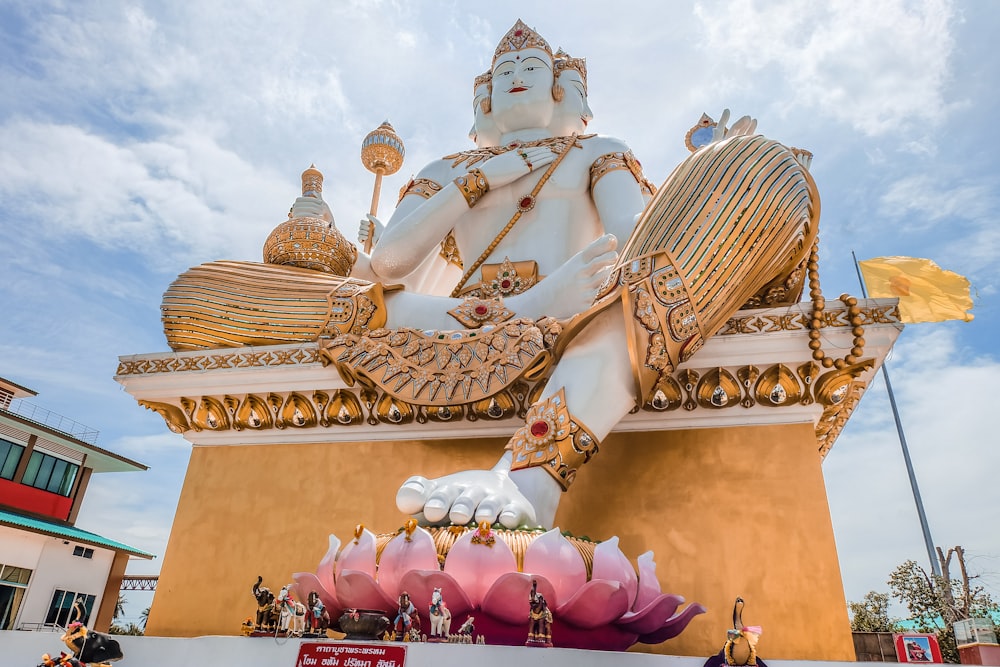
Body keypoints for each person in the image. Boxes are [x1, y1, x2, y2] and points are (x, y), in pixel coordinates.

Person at [162, 20, 817, 531]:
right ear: (484, 93)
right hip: (433, 327)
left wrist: (705, 178)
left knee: (762, 169)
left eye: (531, 68)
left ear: (563, 86)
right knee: (198, 293)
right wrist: (479, 181)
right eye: (503, 73)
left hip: (583, 315)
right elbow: (389, 264)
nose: (516, 79)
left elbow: (633, 240)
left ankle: (530, 476)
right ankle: (530, 323)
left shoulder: (597, 151)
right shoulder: (447, 168)